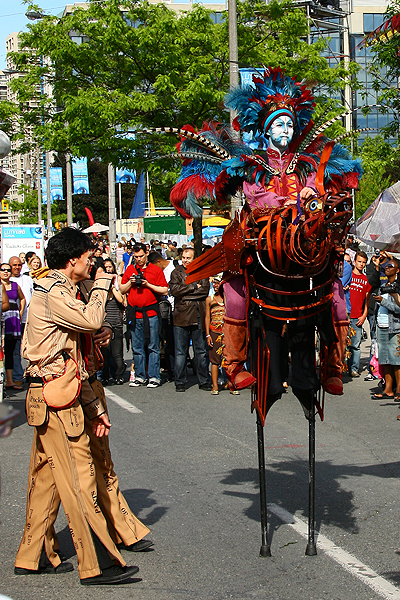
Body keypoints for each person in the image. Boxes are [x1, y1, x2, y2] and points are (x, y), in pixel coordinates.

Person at [14, 227, 139, 586]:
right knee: (78, 476)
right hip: (57, 398)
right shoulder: (54, 290)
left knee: (47, 478)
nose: (93, 262)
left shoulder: (59, 288)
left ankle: (34, 553)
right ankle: (97, 562)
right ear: (73, 260)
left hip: (57, 394)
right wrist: (101, 286)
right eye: (88, 257)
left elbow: (79, 338)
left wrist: (99, 337)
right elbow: (90, 319)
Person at [120, 243, 168, 388]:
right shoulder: (130, 269)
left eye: (141, 256)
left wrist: (147, 284)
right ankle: (140, 376)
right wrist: (131, 281)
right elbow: (122, 289)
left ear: (146, 254)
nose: (139, 259)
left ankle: (154, 376)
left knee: (153, 345)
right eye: (136, 257)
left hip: (151, 313)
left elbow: (164, 290)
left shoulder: (155, 270)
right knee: (137, 346)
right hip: (135, 314)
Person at [169, 248, 212, 392]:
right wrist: (193, 286)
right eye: (184, 257)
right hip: (181, 316)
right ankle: (180, 381)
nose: (186, 260)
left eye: (189, 258)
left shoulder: (201, 271)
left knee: (201, 351)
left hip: (198, 314)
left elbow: (204, 291)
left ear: (195, 259)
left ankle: (204, 380)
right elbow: (174, 291)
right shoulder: (176, 272)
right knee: (180, 351)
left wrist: (184, 293)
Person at [371, 259, 400, 401]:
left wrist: (383, 301)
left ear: (398, 270)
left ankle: (399, 390)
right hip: (381, 326)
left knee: (396, 360)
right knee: (385, 359)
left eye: (391, 266)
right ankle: (388, 389)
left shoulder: (398, 287)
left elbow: (399, 308)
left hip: (394, 327)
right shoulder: (383, 286)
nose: (387, 268)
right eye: (386, 266)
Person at [148, 250, 175, 380]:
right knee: (167, 340)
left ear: (159, 262)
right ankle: (171, 369)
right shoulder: (159, 271)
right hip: (164, 310)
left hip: (177, 309)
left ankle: (178, 369)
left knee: (177, 342)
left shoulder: (175, 266)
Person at [205, 274, 233, 395]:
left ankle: (232, 384)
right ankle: (215, 385)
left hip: (227, 332)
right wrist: (208, 334)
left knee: (229, 359)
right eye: (214, 283)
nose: (216, 286)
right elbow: (207, 317)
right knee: (215, 360)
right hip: (214, 332)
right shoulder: (209, 300)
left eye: (218, 283)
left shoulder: (229, 299)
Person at [9, 255, 33, 386]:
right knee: (15, 349)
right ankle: (16, 375)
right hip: (14, 320)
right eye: (14, 265)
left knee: (30, 349)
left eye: (19, 265)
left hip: (29, 319)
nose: (17, 267)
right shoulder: (7, 280)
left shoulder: (27, 279)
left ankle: (31, 373)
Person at [101, 258, 126, 385]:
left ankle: (118, 375)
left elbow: (121, 300)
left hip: (116, 323)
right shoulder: (100, 287)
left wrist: (113, 288)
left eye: (110, 267)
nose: (108, 269)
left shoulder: (117, 283)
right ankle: (105, 376)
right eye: (106, 267)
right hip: (103, 324)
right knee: (105, 353)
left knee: (117, 352)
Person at [0, 263, 25, 389]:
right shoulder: (1, 286)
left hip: (13, 319)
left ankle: (13, 379)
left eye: (8, 270)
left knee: (12, 351)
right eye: (3, 270)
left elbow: (22, 298)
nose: (6, 272)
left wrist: (20, 313)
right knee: (3, 351)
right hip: (3, 319)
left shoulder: (15, 285)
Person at [348, 250, 372, 377]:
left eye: (363, 262)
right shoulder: (348, 275)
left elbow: (367, 301)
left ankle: (354, 368)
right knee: (345, 345)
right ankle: (344, 366)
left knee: (356, 345)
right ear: (354, 261)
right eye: (359, 262)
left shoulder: (366, 280)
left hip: (357, 317)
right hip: (346, 315)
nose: (361, 264)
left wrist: (364, 315)